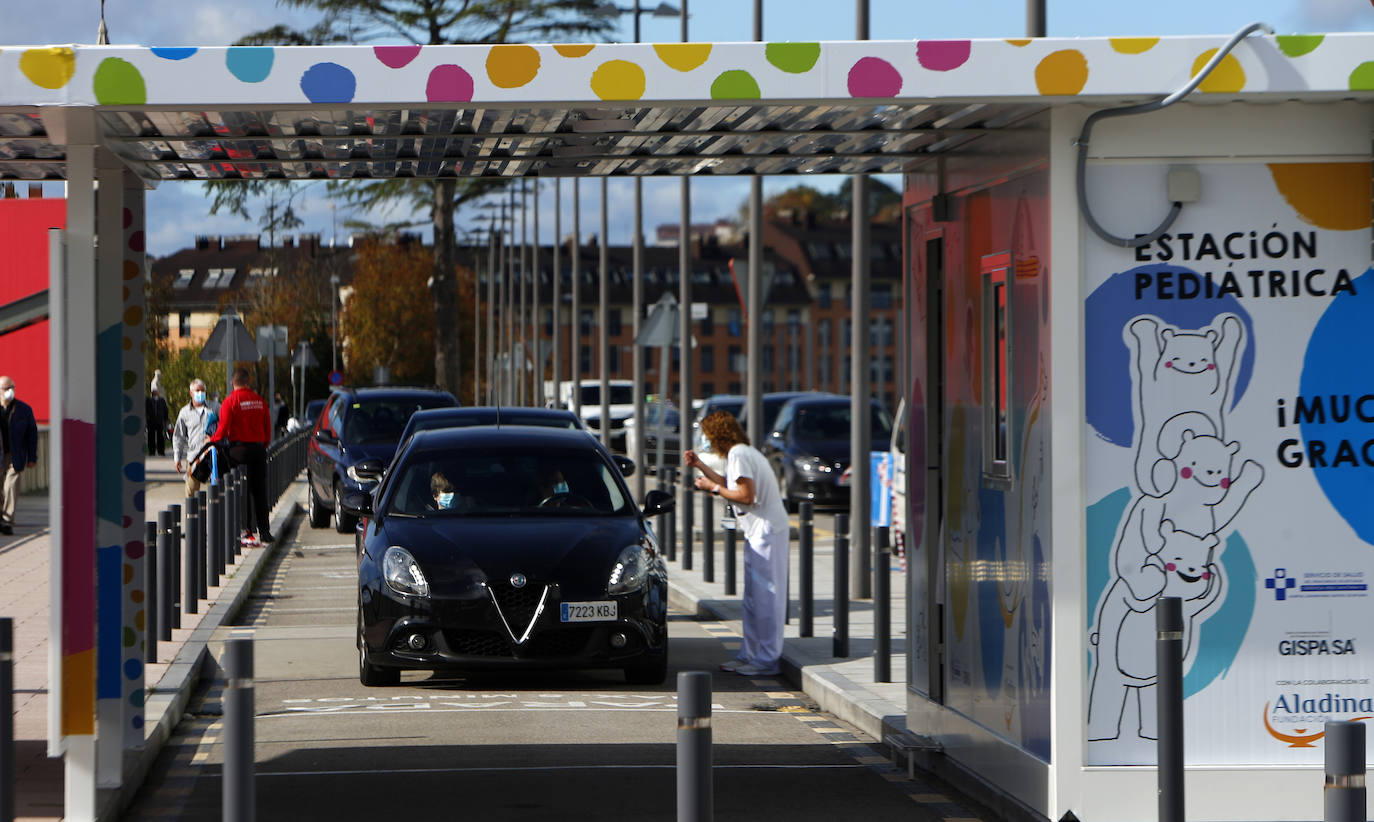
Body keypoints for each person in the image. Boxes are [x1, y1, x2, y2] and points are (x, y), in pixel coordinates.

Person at [684, 411, 790, 676]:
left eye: (707, 435)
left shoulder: (740, 454)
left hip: (767, 531)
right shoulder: (740, 453)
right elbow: (729, 483)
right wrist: (701, 467)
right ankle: (751, 655)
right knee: (753, 599)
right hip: (759, 531)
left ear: (717, 434)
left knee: (766, 599)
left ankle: (766, 659)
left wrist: (713, 488)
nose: (705, 440)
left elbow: (745, 495)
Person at [212, 368, 274, 544]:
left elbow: (223, 430)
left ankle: (246, 530)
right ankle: (265, 532)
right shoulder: (260, 401)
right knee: (260, 491)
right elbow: (267, 429)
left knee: (241, 491)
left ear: (232, 383)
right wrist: (263, 445)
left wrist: (211, 440)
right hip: (259, 449)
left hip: (238, 451)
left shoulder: (230, 401)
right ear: (248, 382)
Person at [0, 376, 38, 536]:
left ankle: (7, 522)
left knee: (11, 486)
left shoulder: (24, 409)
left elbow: (32, 434)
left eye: (12, 387)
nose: (10, 391)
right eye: (6, 388)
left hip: (15, 456)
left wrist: (32, 457)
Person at [172, 378, 217, 498]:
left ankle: (216, 515)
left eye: (203, 391)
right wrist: (177, 457)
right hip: (194, 458)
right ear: (191, 392)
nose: (200, 394)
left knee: (217, 491)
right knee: (191, 492)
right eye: (197, 391)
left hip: (213, 456)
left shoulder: (215, 408)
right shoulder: (184, 412)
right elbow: (178, 436)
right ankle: (192, 515)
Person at [145, 382, 170, 457]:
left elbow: (165, 410)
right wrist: (147, 417)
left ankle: (161, 451)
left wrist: (165, 419)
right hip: (151, 421)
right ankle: (151, 451)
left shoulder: (162, 400)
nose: (155, 393)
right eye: (154, 392)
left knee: (161, 437)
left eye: (156, 392)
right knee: (151, 437)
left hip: (160, 421)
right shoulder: (148, 400)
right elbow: (145, 410)